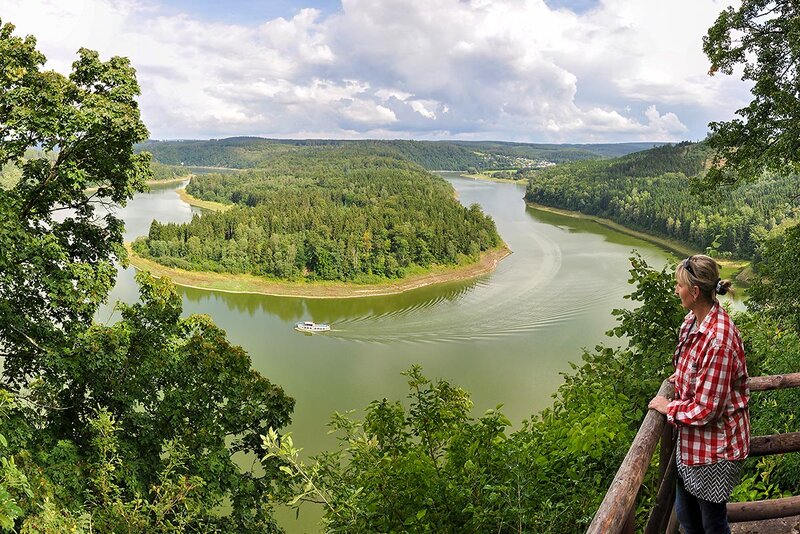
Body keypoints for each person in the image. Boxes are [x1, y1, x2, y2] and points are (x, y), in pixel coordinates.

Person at [648, 254, 749, 534]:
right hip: (692, 445)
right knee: (687, 517)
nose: (676, 290)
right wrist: (680, 376)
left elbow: (707, 409)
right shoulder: (692, 322)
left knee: (712, 523)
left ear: (694, 291)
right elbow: (693, 368)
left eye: (679, 285)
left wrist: (668, 408)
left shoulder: (718, 340)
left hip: (716, 450)